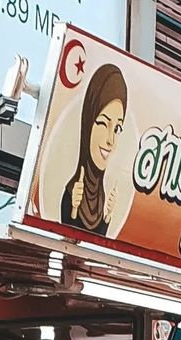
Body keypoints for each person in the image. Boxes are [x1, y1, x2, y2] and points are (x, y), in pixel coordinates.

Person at [60, 64, 128, 237]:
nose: (110, 140)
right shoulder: (72, 191)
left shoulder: (101, 196)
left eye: (117, 129)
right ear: (88, 122)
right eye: (103, 123)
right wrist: (73, 210)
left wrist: (107, 216)